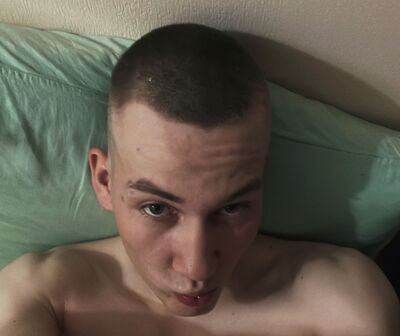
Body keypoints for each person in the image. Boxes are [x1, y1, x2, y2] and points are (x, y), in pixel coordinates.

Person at [0, 23, 399, 336]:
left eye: (232, 207)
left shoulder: (340, 303)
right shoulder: (40, 299)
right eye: (156, 209)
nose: (197, 266)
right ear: (104, 180)